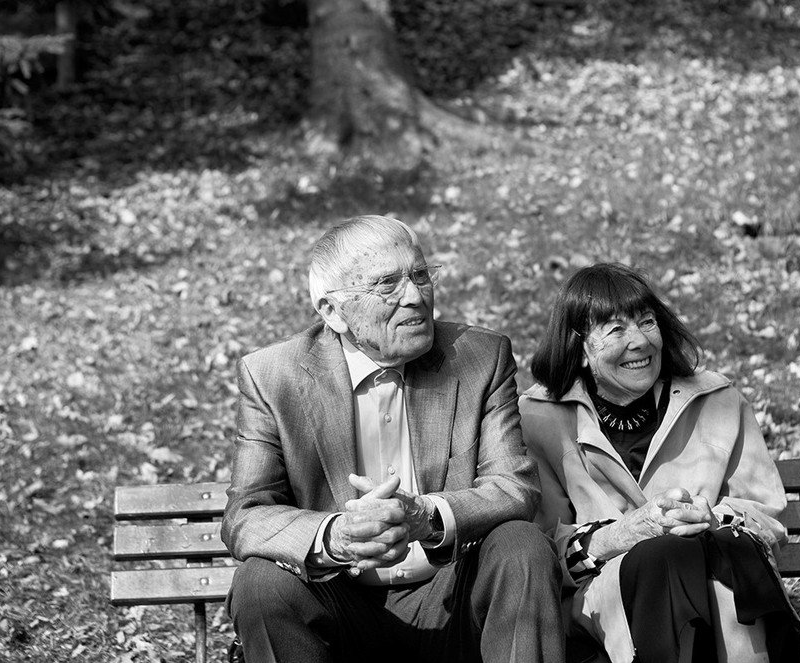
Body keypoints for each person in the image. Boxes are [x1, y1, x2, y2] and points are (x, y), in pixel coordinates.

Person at [222, 215, 565, 663]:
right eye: (386, 284)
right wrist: (335, 536)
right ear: (332, 312)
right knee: (260, 582)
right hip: (339, 600)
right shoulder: (273, 375)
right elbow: (247, 514)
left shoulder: (481, 356)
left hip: (451, 594)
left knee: (521, 545)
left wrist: (428, 516)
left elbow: (515, 487)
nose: (415, 297)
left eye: (420, 275)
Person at [519, 263, 800, 663]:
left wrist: (711, 520)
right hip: (606, 604)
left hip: (722, 591)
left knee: (713, 547)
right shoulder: (539, 420)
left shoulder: (717, 400)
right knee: (662, 555)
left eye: (646, 322)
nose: (640, 341)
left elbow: (765, 513)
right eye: (616, 329)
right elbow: (538, 548)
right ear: (580, 348)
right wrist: (622, 534)